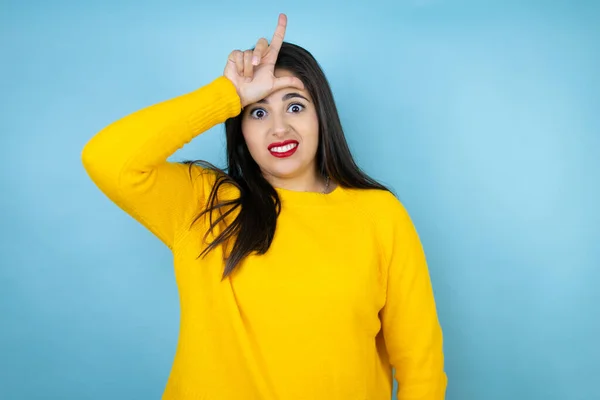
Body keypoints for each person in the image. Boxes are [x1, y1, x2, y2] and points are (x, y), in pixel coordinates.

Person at [81, 13, 447, 400]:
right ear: (239, 128)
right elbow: (108, 159)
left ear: (322, 116)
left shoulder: (379, 214)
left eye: (295, 106)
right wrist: (225, 96)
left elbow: (420, 369)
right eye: (258, 111)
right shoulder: (203, 202)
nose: (279, 129)